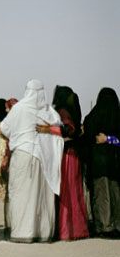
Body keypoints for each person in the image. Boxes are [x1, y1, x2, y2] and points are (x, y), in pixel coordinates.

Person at [0, 79, 63, 243]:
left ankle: (23, 232)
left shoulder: (19, 108)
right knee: (41, 195)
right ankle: (42, 232)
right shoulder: (50, 111)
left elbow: (4, 128)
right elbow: (59, 129)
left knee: (22, 194)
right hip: (44, 158)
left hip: (23, 155)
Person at [36, 86, 89, 240]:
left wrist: (48, 129)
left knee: (66, 192)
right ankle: (75, 228)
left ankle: (67, 230)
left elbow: (69, 129)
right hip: (72, 155)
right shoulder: (71, 110)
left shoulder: (63, 110)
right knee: (72, 192)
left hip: (67, 156)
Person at [83, 87, 120, 237]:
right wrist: (111, 139)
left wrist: (105, 139)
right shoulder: (117, 116)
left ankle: (104, 226)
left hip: (98, 163)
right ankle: (116, 225)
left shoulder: (92, 117)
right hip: (115, 163)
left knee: (101, 194)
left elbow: (87, 139)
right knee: (115, 194)